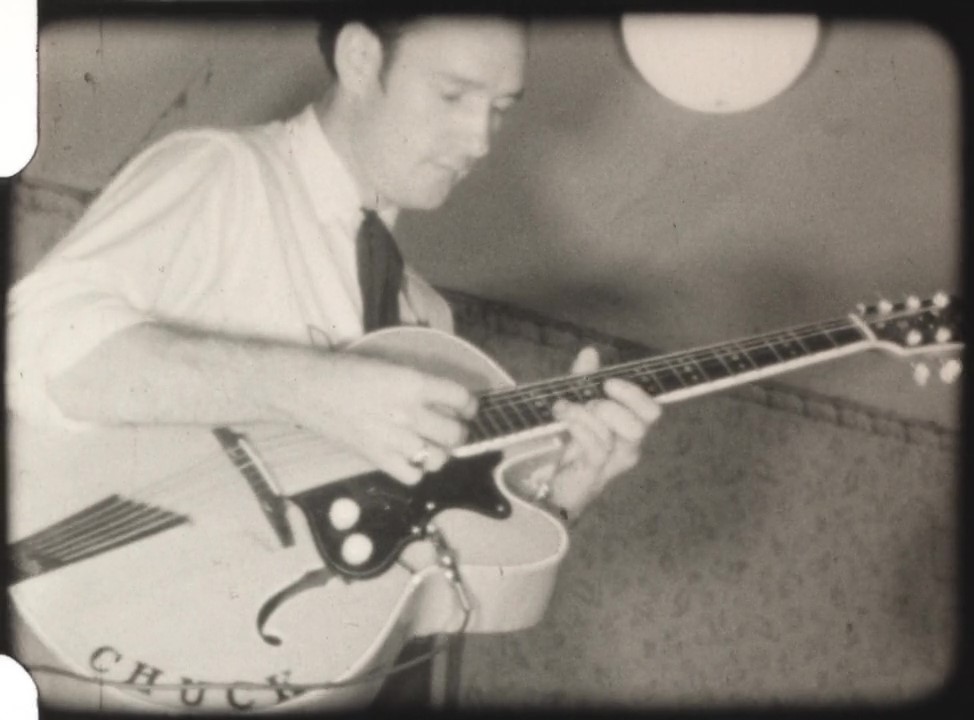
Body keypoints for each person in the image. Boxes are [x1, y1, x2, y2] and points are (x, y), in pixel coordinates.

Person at [7, 13, 661, 707]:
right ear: (358, 58)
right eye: (452, 96)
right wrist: (308, 387)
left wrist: (553, 498)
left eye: (500, 110)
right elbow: (31, 345)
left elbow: (419, 586)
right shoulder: (226, 176)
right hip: (86, 654)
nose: (480, 140)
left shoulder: (426, 320)